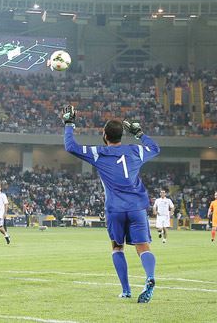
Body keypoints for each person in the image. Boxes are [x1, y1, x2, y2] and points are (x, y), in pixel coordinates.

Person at [62, 105, 160, 303]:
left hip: (115, 209)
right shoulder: (136, 151)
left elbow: (71, 147)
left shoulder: (99, 152)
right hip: (136, 208)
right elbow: (155, 148)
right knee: (143, 247)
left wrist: (69, 124)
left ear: (104, 134)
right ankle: (149, 277)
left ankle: (126, 290)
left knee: (117, 247)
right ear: (122, 135)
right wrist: (139, 133)